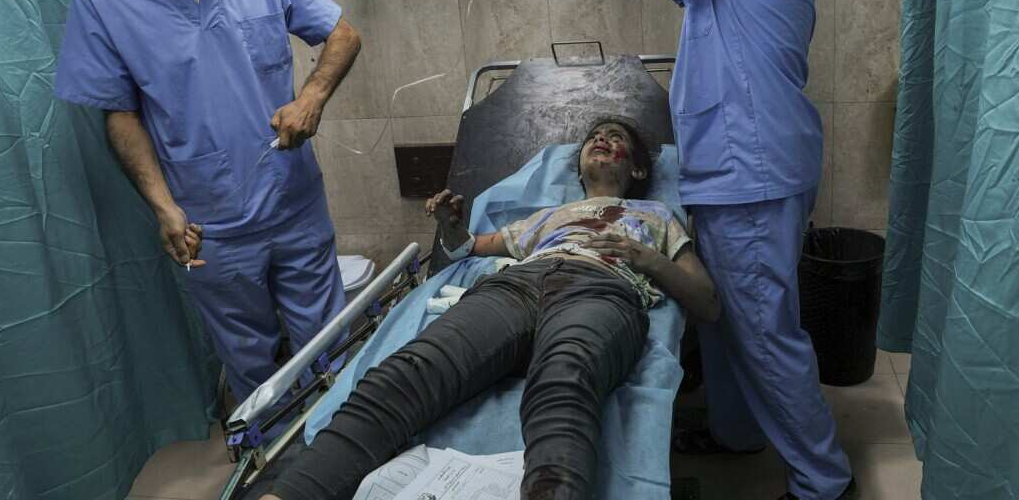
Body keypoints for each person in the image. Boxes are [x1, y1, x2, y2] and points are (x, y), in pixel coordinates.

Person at [512, 0, 856, 500]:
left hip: (752, 172)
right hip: (728, 171)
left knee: (764, 331)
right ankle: (736, 433)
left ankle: (824, 482)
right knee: (726, 320)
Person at [54, 0, 362, 423]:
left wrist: (312, 97)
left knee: (332, 349)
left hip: (293, 201)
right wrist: (162, 206)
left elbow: (342, 34)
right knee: (253, 369)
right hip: (208, 225)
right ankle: (278, 469)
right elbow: (118, 114)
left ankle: (349, 461)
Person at [260, 119, 720, 500]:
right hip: (516, 285)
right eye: (595, 136)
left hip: (602, 289)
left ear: (638, 170)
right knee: (406, 374)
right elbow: (468, 249)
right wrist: (452, 224)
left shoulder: (656, 217)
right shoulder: (546, 217)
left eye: (616, 137)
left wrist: (647, 258)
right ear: (578, 166)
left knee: (565, 381)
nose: (603, 139)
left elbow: (707, 302)